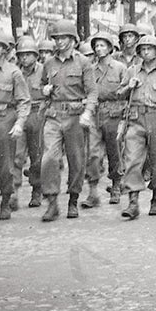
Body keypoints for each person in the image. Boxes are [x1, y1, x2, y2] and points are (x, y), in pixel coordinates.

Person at [38, 18, 98, 222]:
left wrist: (87, 113)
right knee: (49, 158)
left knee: (76, 160)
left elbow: (92, 92)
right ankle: (52, 202)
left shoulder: (84, 62)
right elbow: (42, 86)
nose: (59, 42)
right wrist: (44, 90)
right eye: (56, 38)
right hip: (54, 116)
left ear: (73, 39)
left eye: (63, 37)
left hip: (75, 117)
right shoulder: (48, 63)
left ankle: (73, 198)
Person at [119, 34, 156, 219]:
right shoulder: (132, 71)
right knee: (132, 159)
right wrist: (129, 87)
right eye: (143, 49)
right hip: (136, 118)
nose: (146, 52)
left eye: (149, 49)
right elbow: (119, 94)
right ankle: (133, 201)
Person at [0, 28, 30, 220]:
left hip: (6, 119)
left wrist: (20, 123)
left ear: (5, 49)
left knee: (5, 166)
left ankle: (5, 198)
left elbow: (23, 100)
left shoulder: (14, 73)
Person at [84, 28, 129, 209]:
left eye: (102, 45)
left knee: (114, 153)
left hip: (115, 114)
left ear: (110, 48)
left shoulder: (120, 68)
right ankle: (93, 192)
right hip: (96, 114)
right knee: (93, 154)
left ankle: (116, 186)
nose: (99, 49)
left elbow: (127, 93)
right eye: (96, 46)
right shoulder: (89, 69)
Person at [13, 32, 46, 207]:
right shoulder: (14, 71)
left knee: (37, 156)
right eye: (22, 55)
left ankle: (37, 190)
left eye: (28, 54)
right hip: (19, 114)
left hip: (38, 114)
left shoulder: (44, 70)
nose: (25, 58)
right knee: (16, 155)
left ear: (35, 55)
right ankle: (14, 192)